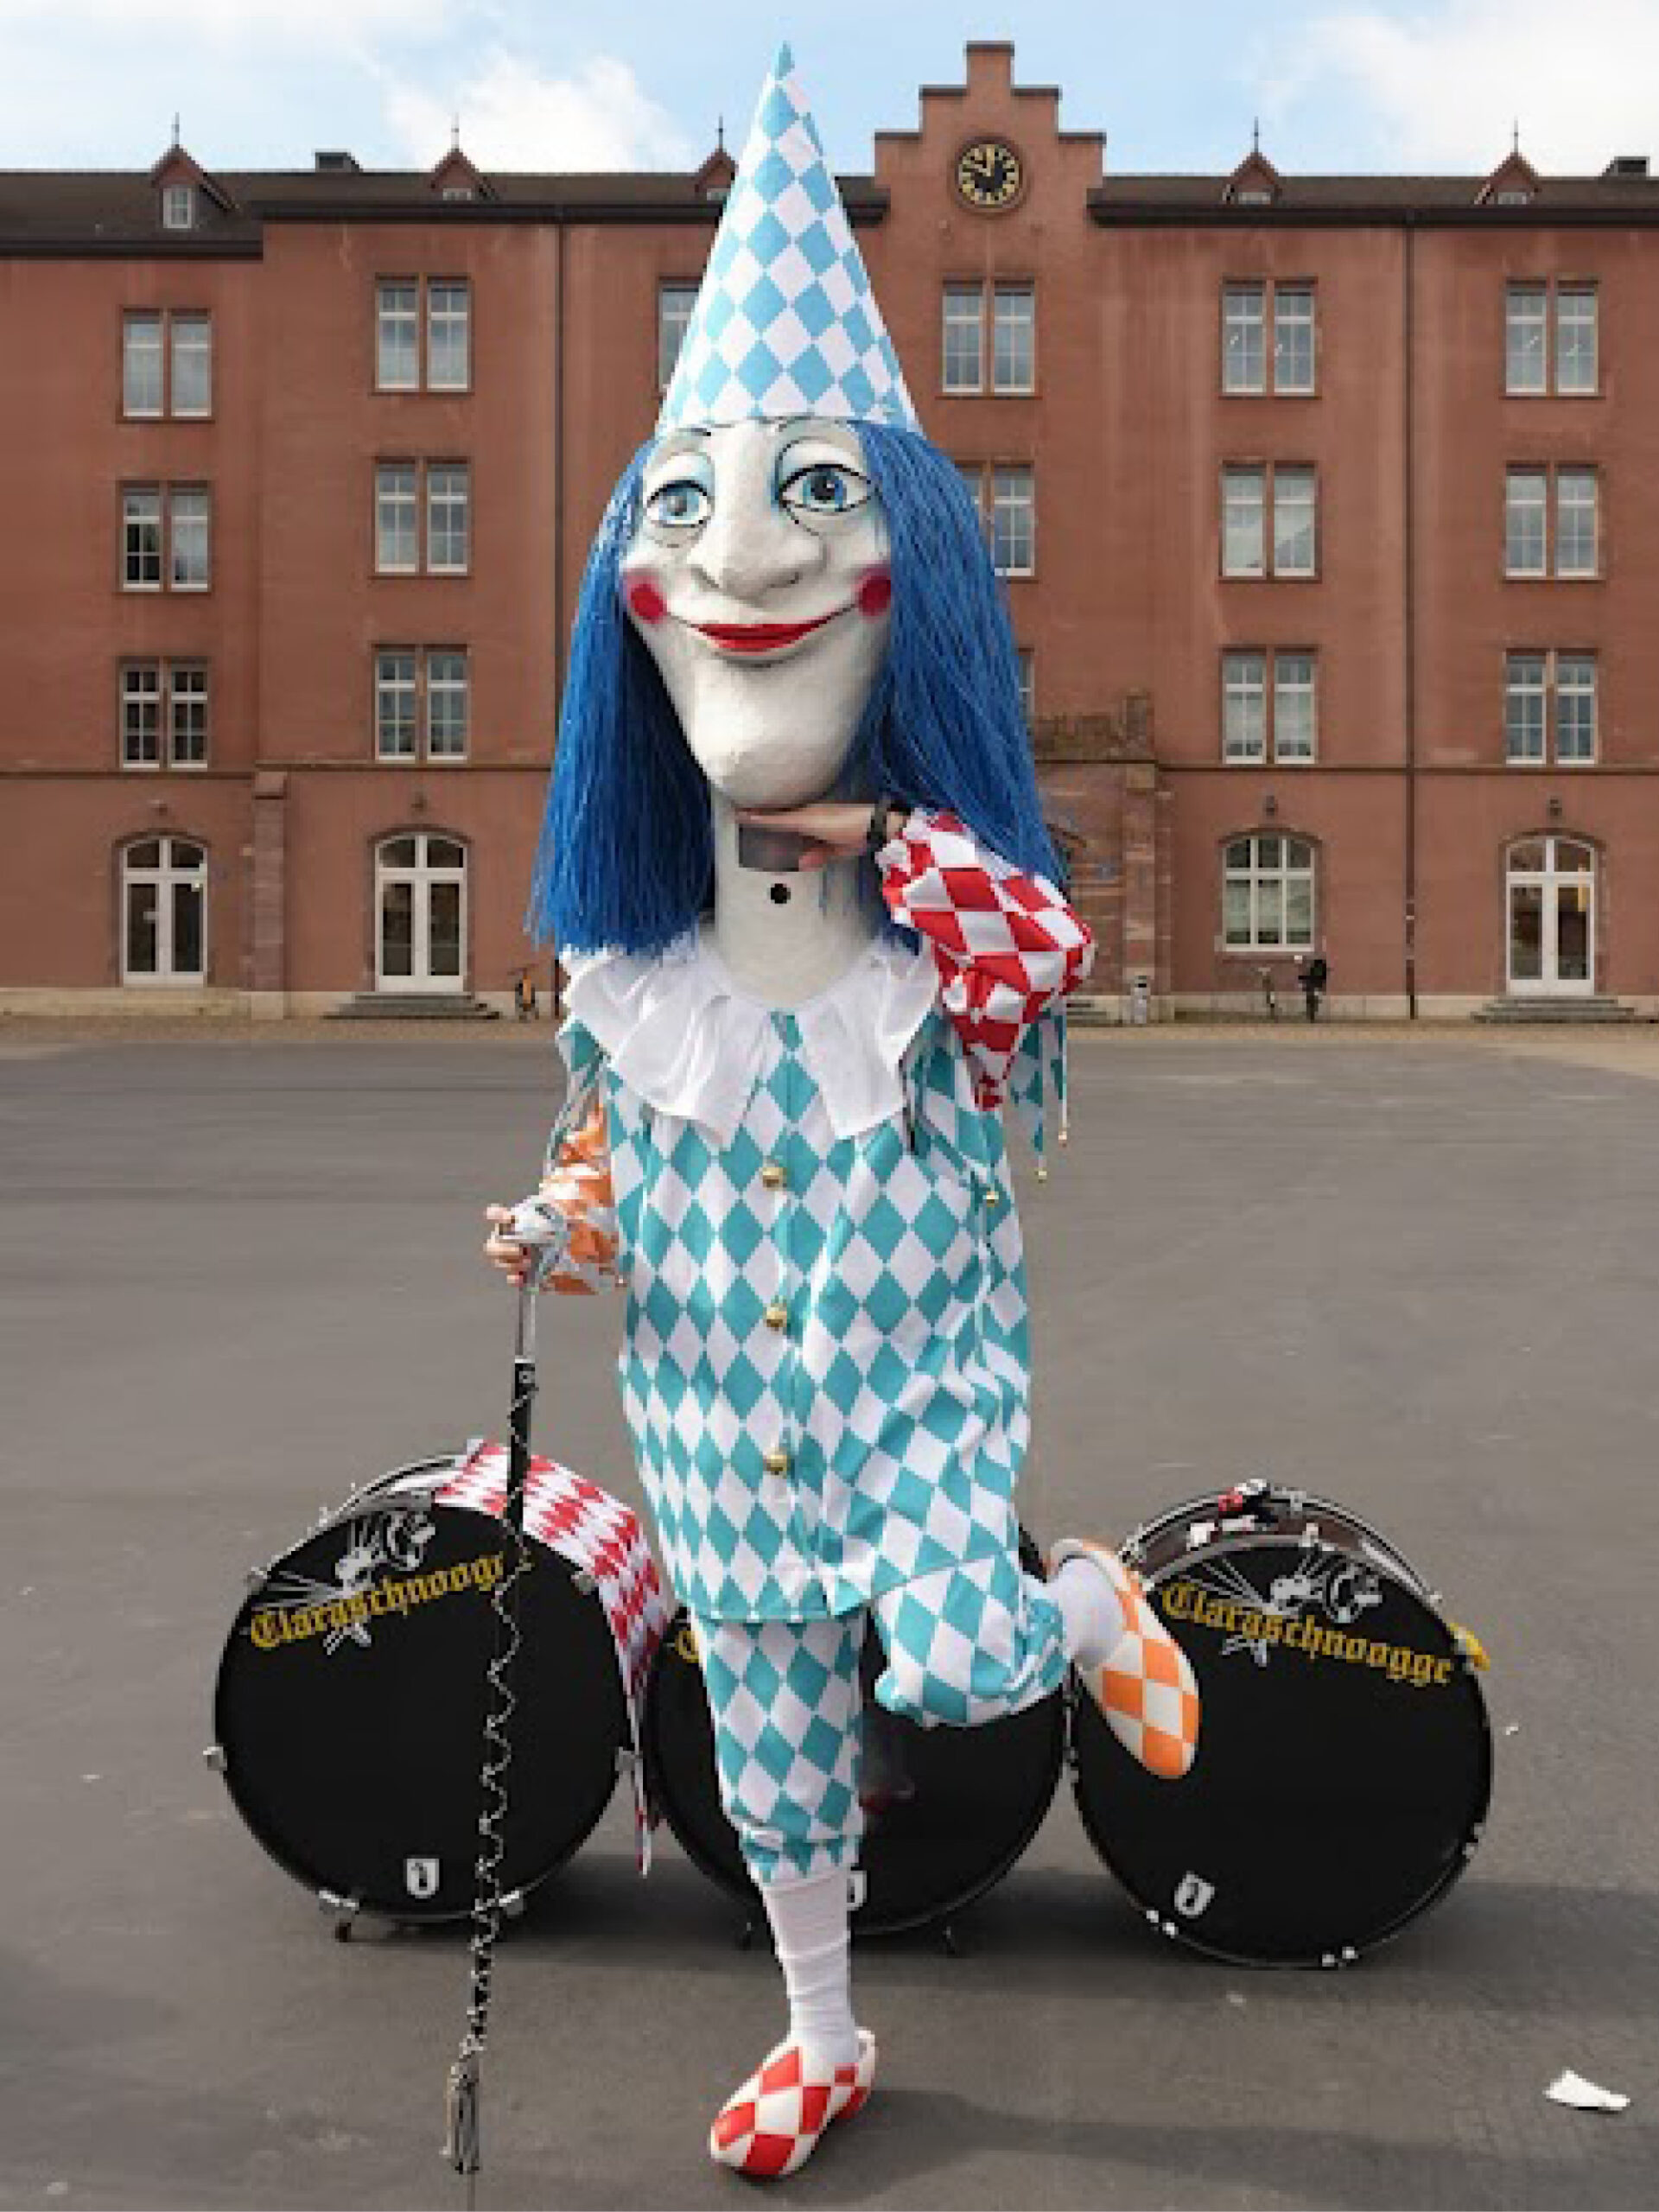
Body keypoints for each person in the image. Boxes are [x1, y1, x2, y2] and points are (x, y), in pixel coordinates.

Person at [481, 46, 1199, 2179]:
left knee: (968, 1656)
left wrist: (873, 825)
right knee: (775, 1757)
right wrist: (563, 1228)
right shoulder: (638, 976)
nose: (743, 553)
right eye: (686, 503)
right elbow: (610, 1159)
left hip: (915, 1396)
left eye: (816, 492)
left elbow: (1042, 950)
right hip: (714, 1416)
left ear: (921, 570)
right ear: (628, 581)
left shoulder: (937, 935)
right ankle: (822, 2031)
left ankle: (1095, 1599)